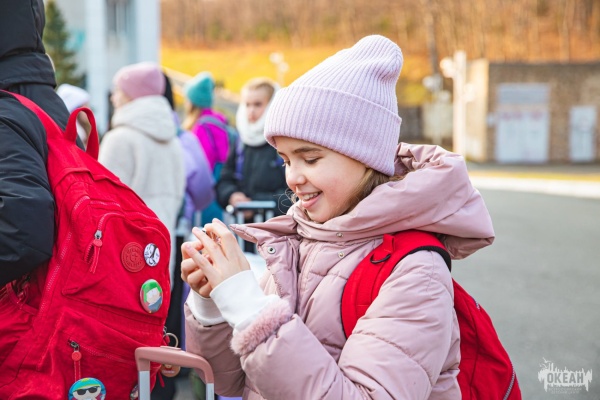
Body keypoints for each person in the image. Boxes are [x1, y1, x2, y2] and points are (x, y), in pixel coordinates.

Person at [181, 35, 495, 399]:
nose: (292, 177)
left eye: (310, 158)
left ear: (365, 156)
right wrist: (213, 303)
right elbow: (234, 382)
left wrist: (250, 307)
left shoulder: (416, 272)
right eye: (286, 160)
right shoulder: (298, 242)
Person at [0, 0, 72, 286]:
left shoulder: (7, 109)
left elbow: (22, 234)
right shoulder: (44, 102)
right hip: (61, 294)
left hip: (29, 305)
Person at [99, 62, 185, 281]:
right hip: (162, 245)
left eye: (118, 91)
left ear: (132, 96)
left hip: (122, 249)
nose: (113, 98)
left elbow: (103, 200)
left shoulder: (118, 139)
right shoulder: (173, 142)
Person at [216, 77, 290, 223]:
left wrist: (256, 205)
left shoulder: (284, 141)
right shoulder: (241, 141)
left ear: (273, 105)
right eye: (247, 104)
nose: (251, 110)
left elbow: (296, 193)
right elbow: (224, 180)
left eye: (258, 104)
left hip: (277, 229)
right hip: (243, 229)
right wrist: (232, 196)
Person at [182, 71, 232, 225]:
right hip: (220, 189)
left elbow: (201, 165)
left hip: (208, 196)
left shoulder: (201, 127)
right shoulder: (219, 122)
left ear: (193, 101)